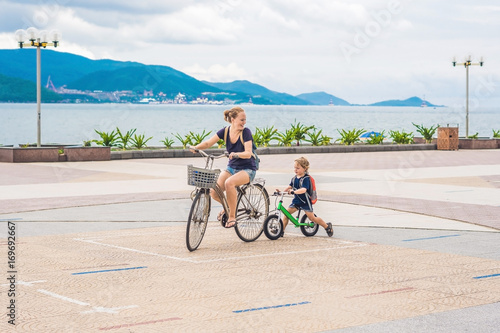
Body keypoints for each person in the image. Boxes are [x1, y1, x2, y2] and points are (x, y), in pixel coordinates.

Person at [190, 106, 256, 228]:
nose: (244, 122)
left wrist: (236, 154)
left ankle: (232, 216)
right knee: (214, 191)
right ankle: (228, 207)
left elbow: (248, 153)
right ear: (233, 119)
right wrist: (196, 148)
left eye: (245, 119)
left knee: (229, 183)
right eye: (242, 120)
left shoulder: (246, 132)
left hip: (247, 169)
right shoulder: (225, 131)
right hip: (232, 167)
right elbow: (208, 143)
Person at [278, 157, 333, 237]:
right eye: (294, 168)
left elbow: (304, 189)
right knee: (286, 214)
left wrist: (294, 191)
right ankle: (281, 231)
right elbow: (289, 186)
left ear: (305, 168)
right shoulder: (294, 178)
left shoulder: (306, 179)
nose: (295, 170)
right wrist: (281, 192)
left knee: (312, 218)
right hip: (297, 201)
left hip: (305, 202)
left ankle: (327, 226)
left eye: (298, 168)